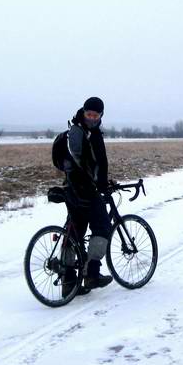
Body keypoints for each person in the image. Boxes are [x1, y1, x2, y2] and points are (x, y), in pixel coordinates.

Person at [62, 96, 114, 294]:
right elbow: (83, 162)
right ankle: (92, 274)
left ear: (101, 115)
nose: (92, 117)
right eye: (89, 114)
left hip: (73, 188)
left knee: (75, 232)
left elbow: (96, 163)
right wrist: (98, 183)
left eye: (95, 115)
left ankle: (68, 282)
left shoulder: (84, 131)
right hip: (83, 189)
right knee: (102, 227)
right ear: (83, 112)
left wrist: (103, 180)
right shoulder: (80, 132)